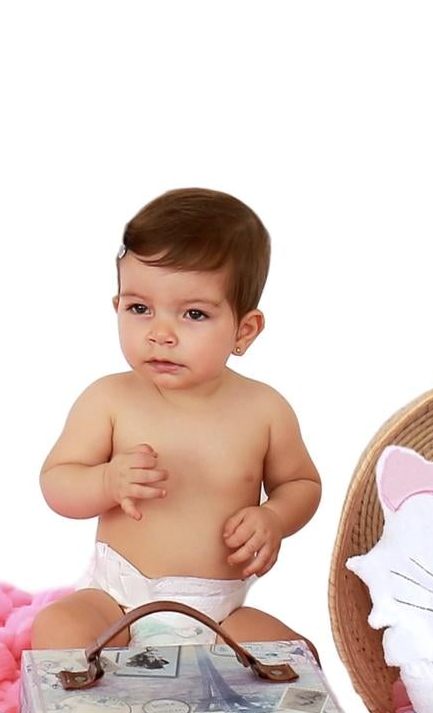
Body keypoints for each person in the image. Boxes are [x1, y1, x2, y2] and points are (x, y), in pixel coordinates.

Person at [32, 187, 321, 651]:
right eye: (140, 309)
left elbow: (301, 484)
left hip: (221, 615)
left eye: (193, 314)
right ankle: (102, 695)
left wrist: (274, 517)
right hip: (117, 600)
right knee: (59, 627)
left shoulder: (265, 410)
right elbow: (57, 482)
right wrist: (106, 482)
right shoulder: (109, 399)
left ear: (244, 330)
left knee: (295, 654)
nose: (160, 334)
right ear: (117, 307)